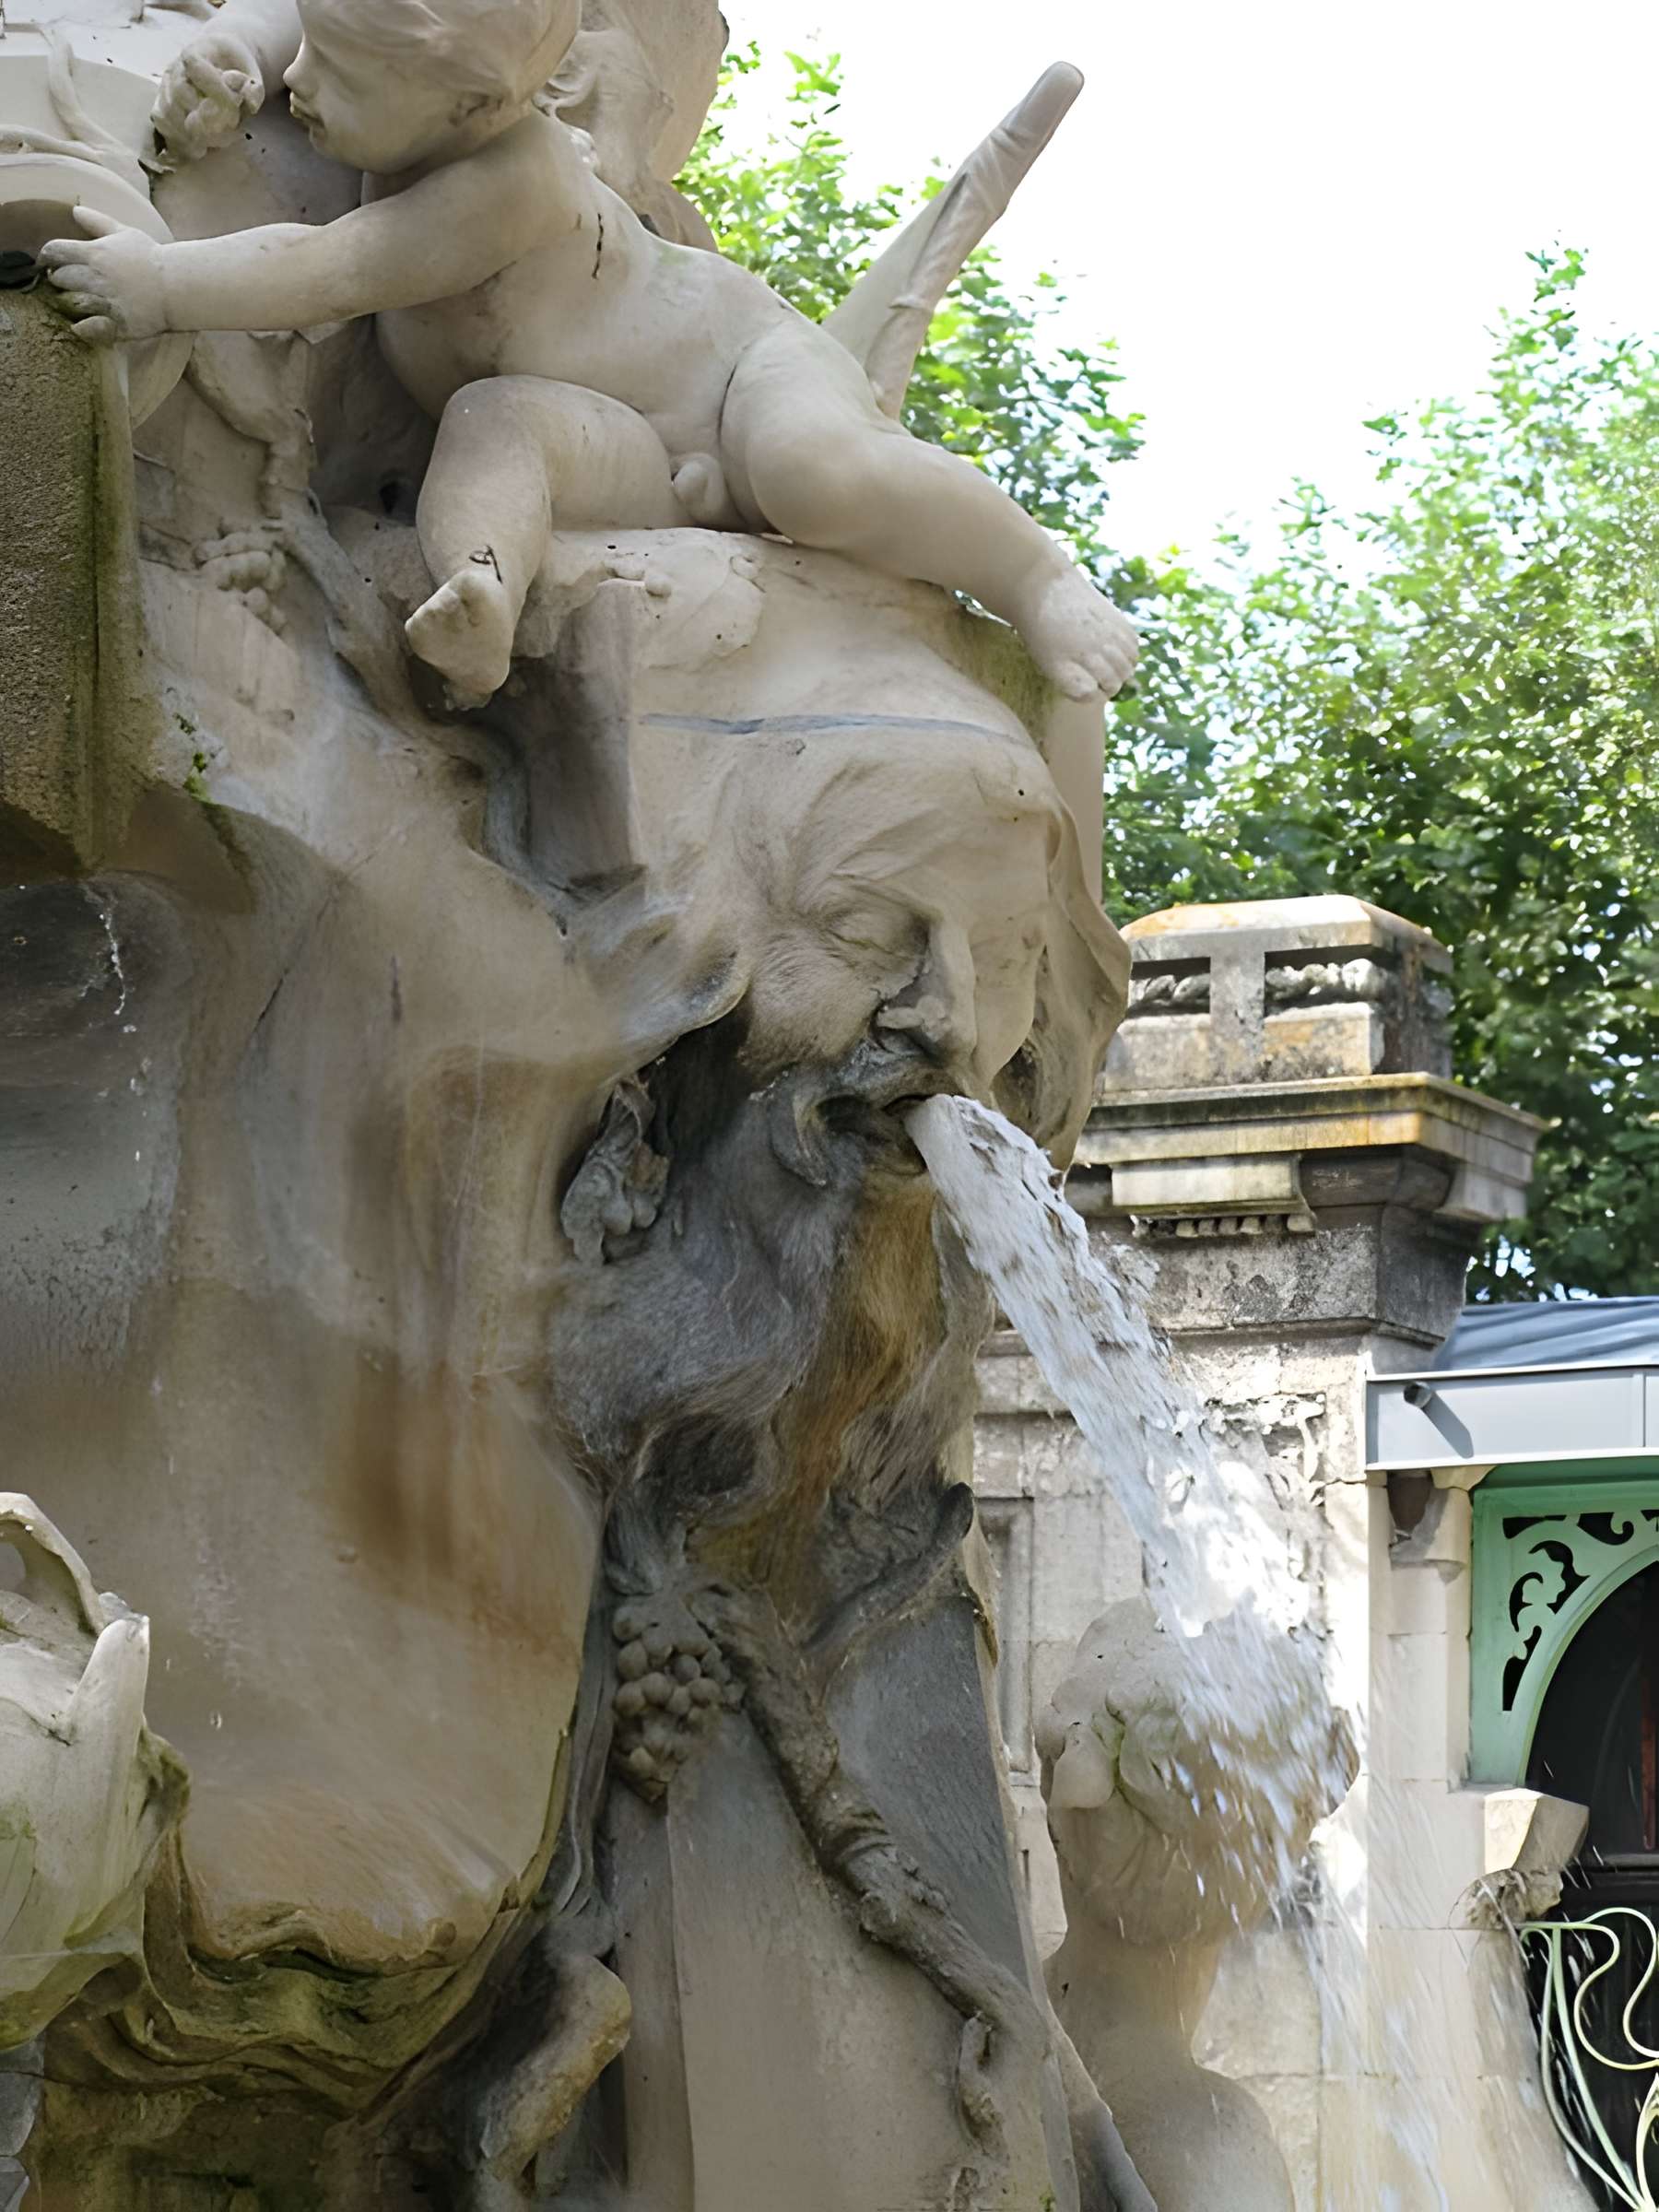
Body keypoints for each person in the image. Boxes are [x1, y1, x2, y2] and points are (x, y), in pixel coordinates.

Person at [43, 0, 1140, 710]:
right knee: (493, 425)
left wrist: (160, 285)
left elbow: (333, 266)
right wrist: (231, 48)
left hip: (729, 374)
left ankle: (1032, 571)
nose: (301, 90)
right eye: (307, 60)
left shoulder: (505, 185)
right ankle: (482, 596)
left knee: (815, 471)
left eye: (339, 79)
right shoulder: (394, 56)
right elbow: (306, 20)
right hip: (614, 439)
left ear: (471, 106)